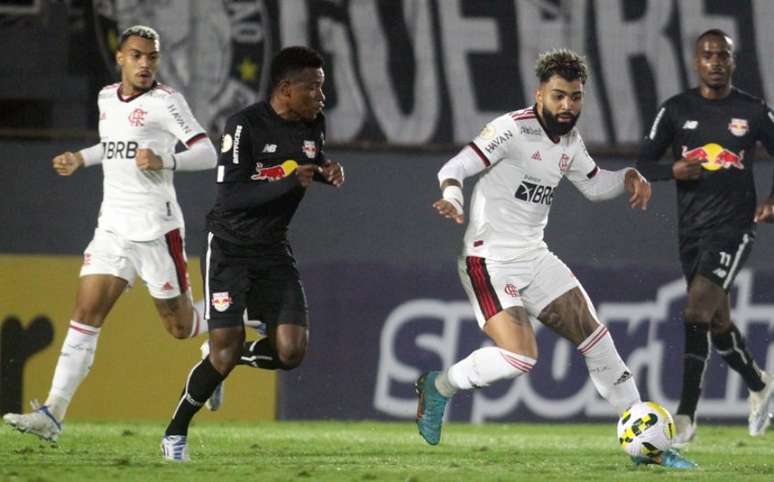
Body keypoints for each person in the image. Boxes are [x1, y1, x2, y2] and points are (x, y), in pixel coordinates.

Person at [415, 48, 694, 469]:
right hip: (488, 262)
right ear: (539, 93)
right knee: (520, 358)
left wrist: (629, 177)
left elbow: (596, 185)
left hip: (535, 257)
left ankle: (649, 448)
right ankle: (440, 386)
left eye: (576, 97)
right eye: (559, 96)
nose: (567, 106)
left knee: (596, 337)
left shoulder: (570, 142)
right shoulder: (511, 129)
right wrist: (452, 194)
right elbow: (458, 164)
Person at [2, 25, 217, 443]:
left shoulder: (166, 102)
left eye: (152, 57)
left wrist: (165, 160)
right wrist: (80, 158)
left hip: (156, 229)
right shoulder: (105, 98)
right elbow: (112, 144)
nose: (145, 64)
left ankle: (239, 314)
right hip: (112, 228)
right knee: (85, 315)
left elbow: (207, 152)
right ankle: (53, 413)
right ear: (120, 58)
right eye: (136, 55)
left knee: (180, 327)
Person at [160, 46, 344, 462]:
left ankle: (224, 357)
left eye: (322, 87)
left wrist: (329, 171)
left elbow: (308, 164)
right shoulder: (243, 126)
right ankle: (175, 433)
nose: (321, 96)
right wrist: (290, 181)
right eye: (313, 88)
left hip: (274, 249)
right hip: (230, 247)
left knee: (291, 352)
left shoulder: (314, 124)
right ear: (285, 88)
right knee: (225, 348)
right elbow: (231, 195)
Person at [637, 29, 774, 446]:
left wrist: (772, 200)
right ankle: (760, 384)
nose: (715, 61)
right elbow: (643, 163)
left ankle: (685, 418)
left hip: (734, 228)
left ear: (734, 61)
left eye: (723, 55)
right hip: (691, 231)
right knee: (716, 322)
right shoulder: (677, 110)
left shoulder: (752, 111)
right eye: (708, 55)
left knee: (696, 312)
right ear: (696, 61)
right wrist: (670, 171)